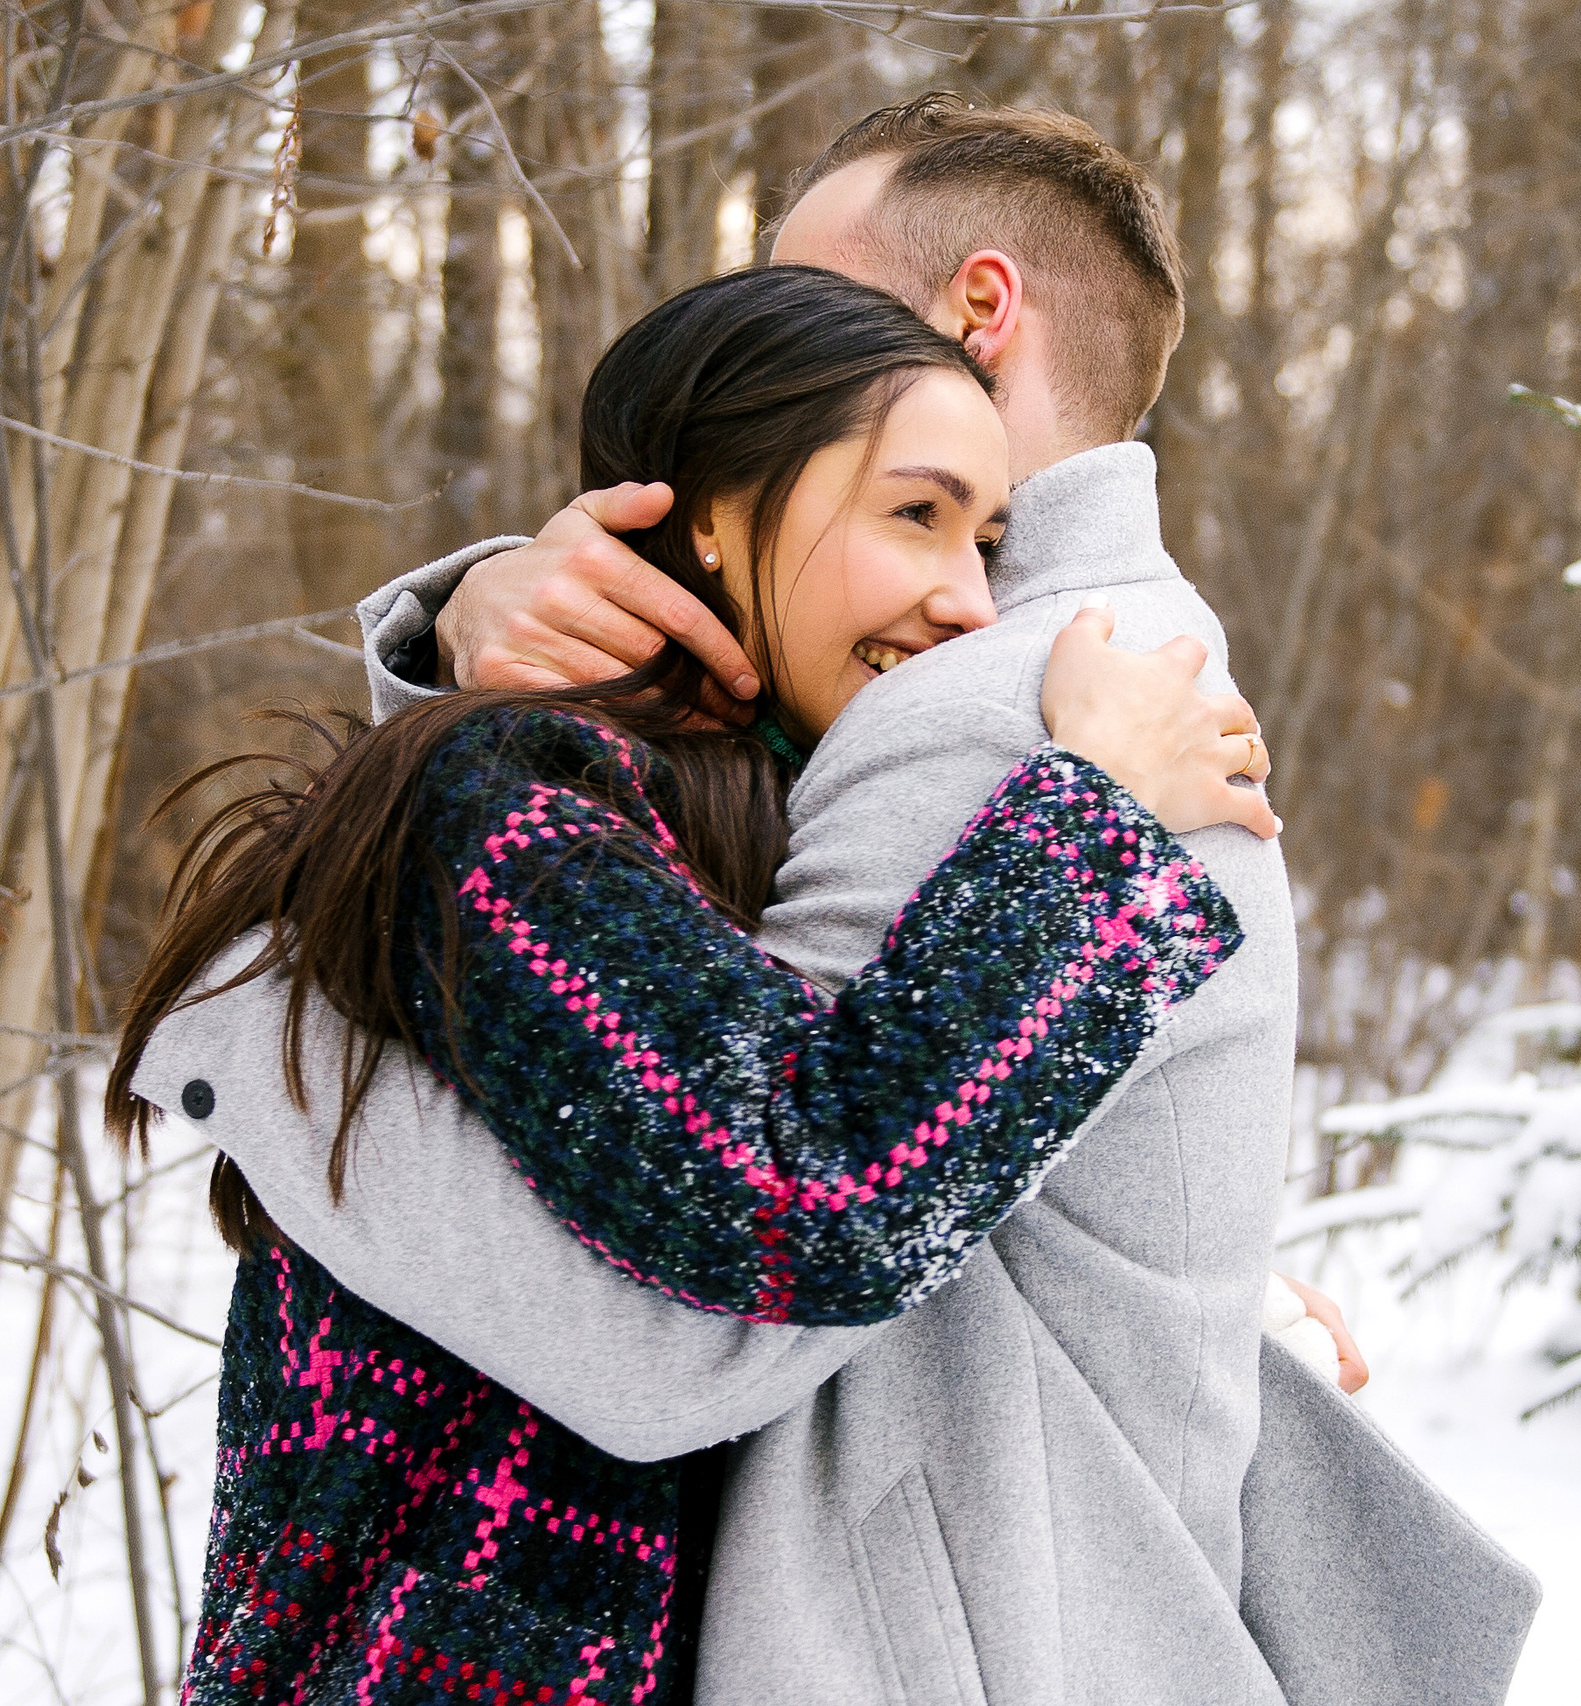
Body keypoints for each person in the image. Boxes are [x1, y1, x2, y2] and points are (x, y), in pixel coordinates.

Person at [175, 97, 1537, 1704]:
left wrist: (269, 1053)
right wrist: (475, 645)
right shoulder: (1048, 667)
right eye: (916, 515)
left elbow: (731, 1263)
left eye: (809, 285)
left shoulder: (997, 697)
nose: (771, 328)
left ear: (977, 315)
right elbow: (682, 1059)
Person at [110, 265, 1274, 1704]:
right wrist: (1095, 821)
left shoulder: (726, 817)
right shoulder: (505, 798)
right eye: (914, 513)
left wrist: (1199, 1272)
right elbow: (800, 1192)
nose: (970, 601)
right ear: (711, 516)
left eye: (987, 538)